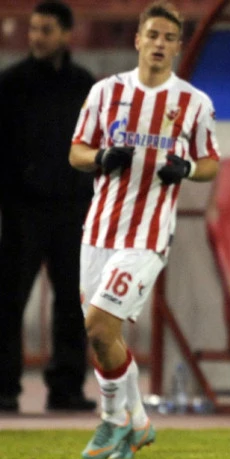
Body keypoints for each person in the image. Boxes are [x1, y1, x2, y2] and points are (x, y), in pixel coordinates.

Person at [68, 1, 220, 459]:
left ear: (178, 47)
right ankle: (138, 422)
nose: (159, 44)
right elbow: (77, 151)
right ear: (138, 40)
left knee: (99, 326)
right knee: (103, 337)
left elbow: (210, 163)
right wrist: (100, 157)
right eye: (152, 35)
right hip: (99, 229)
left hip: (147, 237)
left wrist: (186, 168)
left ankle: (112, 419)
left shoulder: (193, 103)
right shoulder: (105, 92)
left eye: (168, 38)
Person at [0, 1, 96, 413]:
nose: (36, 37)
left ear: (66, 34)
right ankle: (4, 388)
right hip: (22, 211)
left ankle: (66, 388)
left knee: (73, 303)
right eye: (33, 29)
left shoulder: (84, 85)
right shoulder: (10, 83)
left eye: (46, 30)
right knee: (9, 301)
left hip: (73, 210)